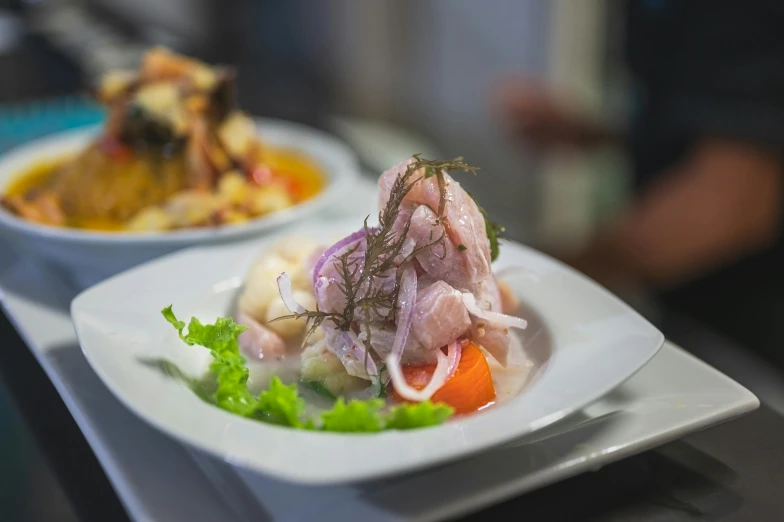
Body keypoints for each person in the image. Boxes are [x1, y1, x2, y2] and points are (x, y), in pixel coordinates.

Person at [499, 0, 784, 364]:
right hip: (678, 301)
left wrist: (536, 276)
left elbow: (731, 205)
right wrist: (595, 133)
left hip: (748, 331)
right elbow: (709, 120)